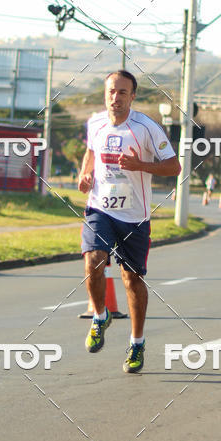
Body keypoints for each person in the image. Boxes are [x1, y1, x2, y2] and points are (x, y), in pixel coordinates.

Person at [78, 70, 181, 372]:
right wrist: (85, 175)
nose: (116, 97)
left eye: (123, 92)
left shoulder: (147, 128)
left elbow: (174, 167)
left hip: (134, 216)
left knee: (131, 280)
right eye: (111, 91)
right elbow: (90, 153)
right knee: (93, 260)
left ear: (133, 96)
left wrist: (140, 165)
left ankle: (137, 343)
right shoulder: (95, 122)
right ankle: (100, 317)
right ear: (105, 93)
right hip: (100, 208)